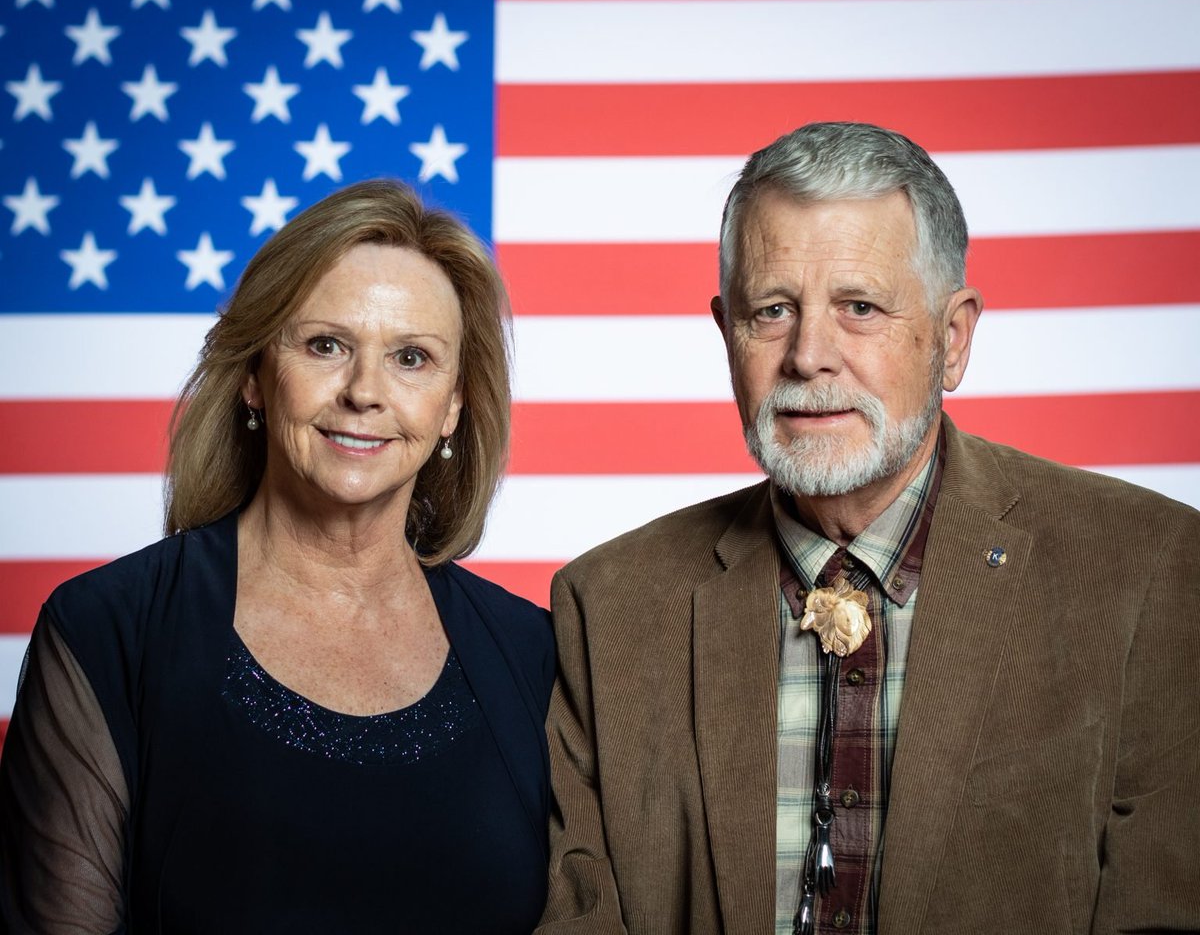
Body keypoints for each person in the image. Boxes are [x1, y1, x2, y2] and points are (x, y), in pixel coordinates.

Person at [536, 122, 1200, 934]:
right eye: (772, 311)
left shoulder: (1149, 571)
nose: (809, 355)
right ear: (726, 334)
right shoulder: (608, 609)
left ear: (952, 340)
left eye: (859, 307)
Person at [0, 180, 554, 933]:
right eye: (326, 345)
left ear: (454, 403)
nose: (365, 392)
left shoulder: (532, 654)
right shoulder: (109, 631)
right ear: (256, 375)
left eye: (412, 358)